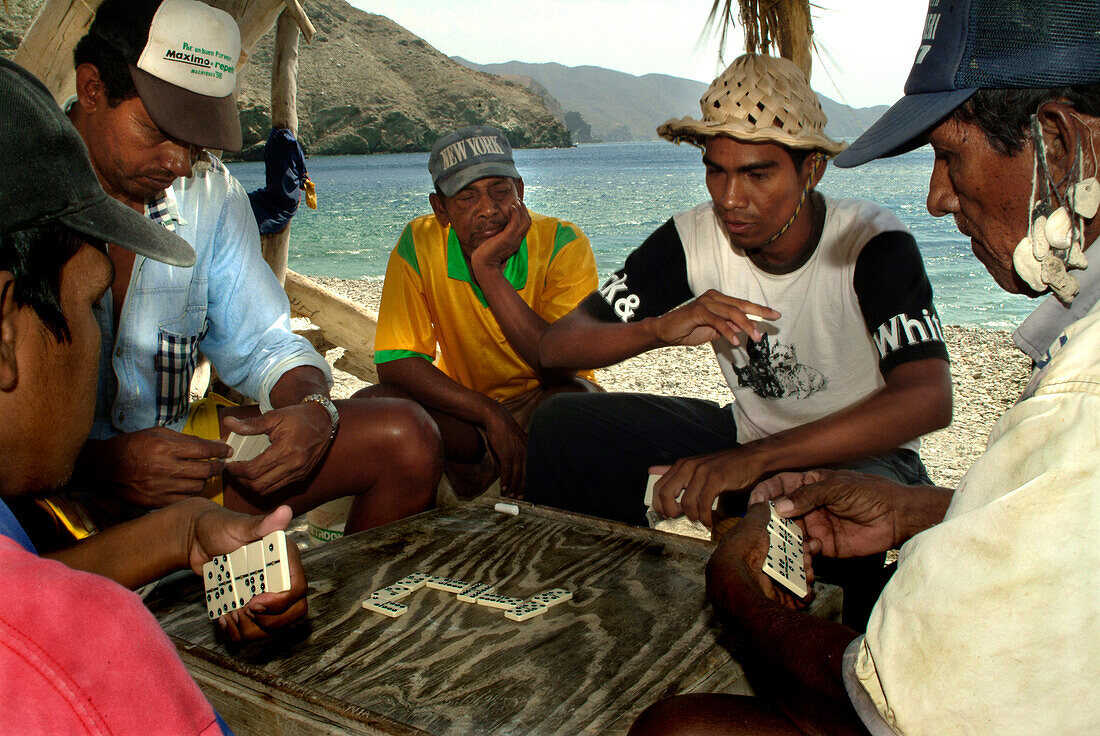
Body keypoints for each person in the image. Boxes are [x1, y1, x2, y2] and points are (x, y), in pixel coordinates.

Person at [628, 1, 1100, 734]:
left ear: (1060, 146)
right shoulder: (1076, 343)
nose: (936, 197)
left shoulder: (1082, 392)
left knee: (676, 728)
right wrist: (928, 513)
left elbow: (896, 703)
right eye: (716, 174)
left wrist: (738, 596)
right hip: (843, 485)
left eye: (950, 154)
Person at [525, 54, 951, 628]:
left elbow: (928, 399)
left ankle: (840, 634)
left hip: (864, 457)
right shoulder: (694, 237)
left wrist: (745, 461)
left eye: (757, 174)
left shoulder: (870, 243)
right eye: (715, 170)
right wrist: (657, 330)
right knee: (561, 425)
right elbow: (557, 347)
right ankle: (590, 599)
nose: (729, 198)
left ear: (812, 171)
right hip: (749, 434)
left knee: (807, 516)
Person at [16, 0, 443, 550]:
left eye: (195, 142)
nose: (178, 162)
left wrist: (314, 410)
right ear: (92, 89)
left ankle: (355, 631)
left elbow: (265, 346)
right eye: (158, 130)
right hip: (37, 491)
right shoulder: (17, 189)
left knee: (405, 438)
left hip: (174, 472)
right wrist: (101, 463)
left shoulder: (210, 194)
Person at [0, 57, 309, 733]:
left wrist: (182, 528)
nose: (97, 348)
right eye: (88, 308)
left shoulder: (214, 197)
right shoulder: (97, 645)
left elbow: (22, 574)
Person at [365, 125, 600, 498]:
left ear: (520, 192)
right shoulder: (419, 242)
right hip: (467, 410)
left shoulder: (562, 242)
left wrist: (488, 269)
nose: (488, 209)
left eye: (500, 191)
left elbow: (561, 365)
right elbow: (396, 362)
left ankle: (524, 479)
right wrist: (491, 415)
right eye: (467, 197)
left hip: (548, 399)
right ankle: (481, 468)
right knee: (374, 405)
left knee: (579, 404)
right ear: (440, 208)